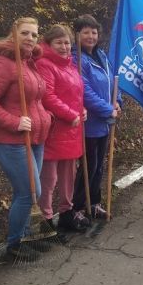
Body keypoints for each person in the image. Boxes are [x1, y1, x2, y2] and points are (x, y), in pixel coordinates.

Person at [0, 17, 52, 262]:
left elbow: (35, 98)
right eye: (25, 33)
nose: (30, 38)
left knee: (29, 192)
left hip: (35, 138)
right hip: (11, 141)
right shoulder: (3, 64)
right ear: (13, 34)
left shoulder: (29, 63)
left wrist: (46, 117)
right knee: (29, 191)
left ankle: (25, 236)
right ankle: (15, 244)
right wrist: (13, 121)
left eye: (34, 35)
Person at [37, 24, 90, 235]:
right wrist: (70, 114)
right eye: (58, 42)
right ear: (48, 44)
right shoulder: (44, 64)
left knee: (69, 175)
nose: (64, 47)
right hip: (54, 130)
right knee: (49, 179)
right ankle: (46, 219)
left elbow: (76, 95)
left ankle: (66, 213)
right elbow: (47, 96)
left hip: (72, 129)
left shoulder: (70, 65)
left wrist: (82, 109)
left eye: (67, 42)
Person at [72, 14, 121, 220]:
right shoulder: (76, 59)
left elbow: (113, 81)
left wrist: (117, 101)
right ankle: (78, 207)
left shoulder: (101, 55)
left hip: (104, 123)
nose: (91, 36)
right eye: (86, 32)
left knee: (99, 165)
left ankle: (94, 203)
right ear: (77, 35)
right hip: (89, 123)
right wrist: (107, 109)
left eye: (94, 32)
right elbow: (85, 92)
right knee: (88, 166)